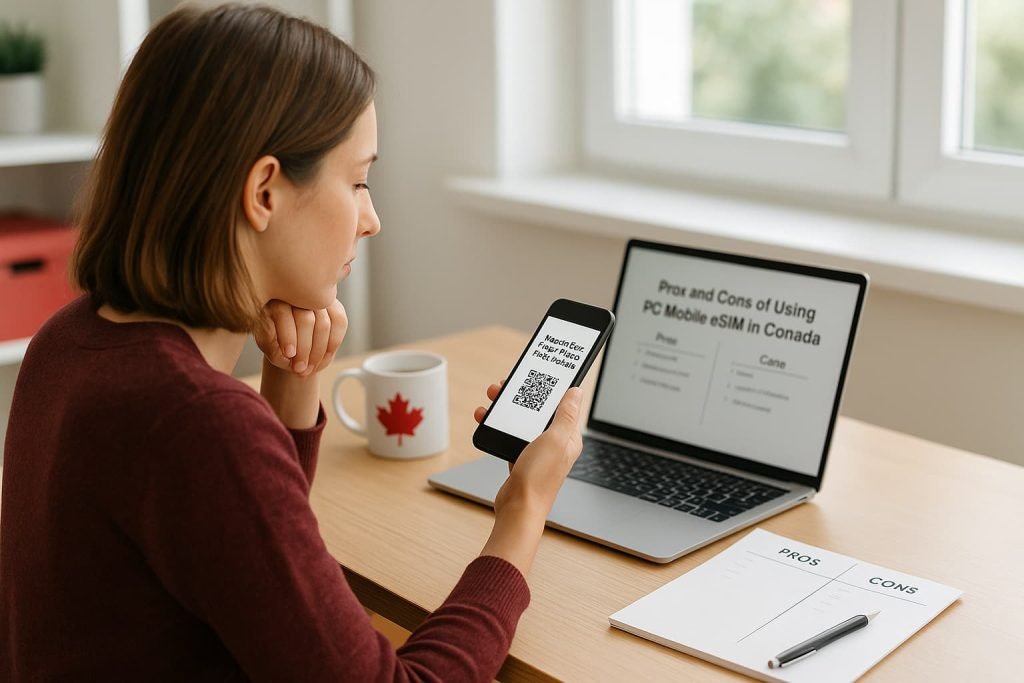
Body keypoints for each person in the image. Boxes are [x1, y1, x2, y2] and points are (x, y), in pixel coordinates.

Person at [0, 5, 584, 681]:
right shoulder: (197, 420)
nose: (372, 219)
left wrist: (292, 378)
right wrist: (523, 512)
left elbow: (247, 556)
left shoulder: (68, 341)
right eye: (359, 180)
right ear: (265, 192)